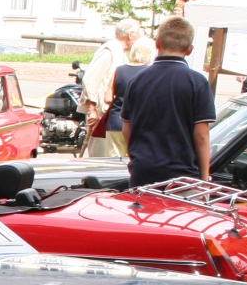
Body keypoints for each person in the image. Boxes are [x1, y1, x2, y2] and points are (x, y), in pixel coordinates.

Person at [121, 16, 214, 189]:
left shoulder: (137, 80)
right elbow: (201, 136)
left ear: (158, 43)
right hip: (182, 177)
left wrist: (137, 159)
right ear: (189, 50)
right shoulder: (197, 82)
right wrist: (204, 179)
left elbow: (127, 129)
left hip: (143, 172)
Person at [79, 18, 140, 157]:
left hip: (109, 113)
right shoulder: (109, 50)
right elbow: (90, 79)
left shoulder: (121, 52)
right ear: (131, 34)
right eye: (138, 33)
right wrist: (92, 109)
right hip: (101, 113)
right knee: (100, 155)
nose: (139, 37)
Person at [105, 36, 157, 145]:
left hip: (116, 122)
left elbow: (108, 98)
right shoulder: (151, 73)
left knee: (114, 161)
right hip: (139, 125)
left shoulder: (119, 70)